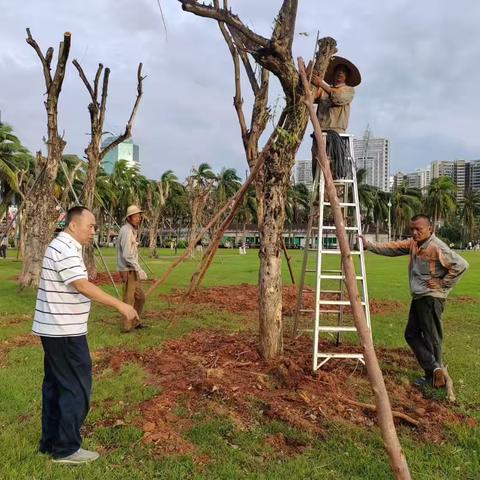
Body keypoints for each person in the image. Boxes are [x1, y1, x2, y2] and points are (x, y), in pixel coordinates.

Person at [32, 206, 138, 464]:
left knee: (56, 386)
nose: (93, 231)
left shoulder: (60, 245)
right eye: (90, 226)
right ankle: (67, 449)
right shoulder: (66, 248)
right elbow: (81, 284)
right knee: (76, 388)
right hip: (65, 331)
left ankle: (51, 442)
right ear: (73, 226)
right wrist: (120, 305)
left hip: (54, 329)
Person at [360, 214, 469, 390]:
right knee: (411, 334)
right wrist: (369, 245)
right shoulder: (414, 244)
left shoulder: (435, 246)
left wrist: (443, 283)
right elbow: (393, 248)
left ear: (430, 229)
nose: (415, 232)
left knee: (432, 338)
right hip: (420, 297)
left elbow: (461, 265)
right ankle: (434, 369)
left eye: (419, 229)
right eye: (412, 229)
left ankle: (434, 377)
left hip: (431, 298)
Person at [310, 56, 361, 180]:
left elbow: (337, 98)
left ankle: (334, 190)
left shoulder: (348, 90)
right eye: (338, 72)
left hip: (336, 133)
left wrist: (321, 83)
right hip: (320, 132)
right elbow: (311, 96)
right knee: (317, 162)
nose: (340, 74)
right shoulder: (322, 91)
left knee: (334, 163)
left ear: (346, 76)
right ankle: (318, 191)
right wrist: (311, 80)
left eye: (343, 72)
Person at [117, 205, 147, 332]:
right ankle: (127, 326)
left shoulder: (132, 230)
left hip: (133, 269)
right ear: (129, 218)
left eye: (139, 216)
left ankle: (135, 321)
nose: (138, 218)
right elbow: (126, 254)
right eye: (135, 216)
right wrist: (138, 268)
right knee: (129, 299)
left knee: (140, 297)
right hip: (128, 269)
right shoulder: (126, 230)